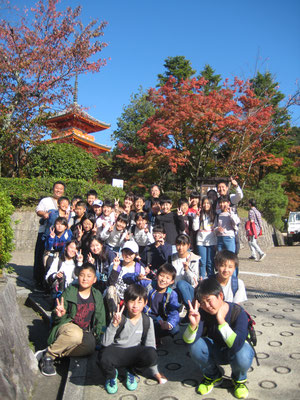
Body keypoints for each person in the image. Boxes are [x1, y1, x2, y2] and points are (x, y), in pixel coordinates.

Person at [183, 278, 254, 399]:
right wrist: (193, 325)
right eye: (203, 302)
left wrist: (221, 320)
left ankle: (239, 380)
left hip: (236, 352)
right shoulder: (203, 313)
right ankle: (213, 376)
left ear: (220, 295)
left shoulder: (238, 312)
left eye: (209, 300)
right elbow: (188, 341)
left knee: (243, 354)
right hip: (217, 351)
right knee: (195, 346)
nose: (207, 306)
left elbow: (236, 345)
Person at [38, 263, 106, 377]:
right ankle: (48, 356)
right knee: (75, 334)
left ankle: (58, 350)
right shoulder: (69, 292)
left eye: (89, 276)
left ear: (94, 280)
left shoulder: (97, 295)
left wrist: (100, 337)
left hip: (84, 331)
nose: (84, 278)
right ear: (77, 276)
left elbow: (101, 319)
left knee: (90, 346)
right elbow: (56, 319)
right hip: (66, 326)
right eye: (82, 275)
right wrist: (58, 314)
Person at [98, 284, 158, 394]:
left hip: (133, 353)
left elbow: (151, 346)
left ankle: (131, 371)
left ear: (145, 303)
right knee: (103, 357)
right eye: (132, 301)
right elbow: (105, 343)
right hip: (117, 351)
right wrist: (114, 325)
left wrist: (155, 372)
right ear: (125, 302)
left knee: (151, 354)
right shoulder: (119, 318)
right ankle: (111, 376)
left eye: (139, 302)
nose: (135, 306)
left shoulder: (147, 321)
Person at [33, 181, 65, 290]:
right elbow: (38, 211)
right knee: (41, 256)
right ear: (53, 189)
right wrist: (44, 214)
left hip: (59, 235)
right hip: (45, 233)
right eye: (57, 188)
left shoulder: (65, 202)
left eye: (61, 189)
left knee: (54, 259)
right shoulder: (46, 200)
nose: (58, 190)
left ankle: (49, 281)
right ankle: (38, 281)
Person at [106, 241, 145, 317]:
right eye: (126, 252)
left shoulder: (139, 269)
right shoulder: (115, 264)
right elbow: (110, 284)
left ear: (135, 255)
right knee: (110, 289)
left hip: (131, 297)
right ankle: (113, 318)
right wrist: (115, 267)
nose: (128, 255)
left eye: (131, 253)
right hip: (116, 297)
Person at [143, 263, 180, 340]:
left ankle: (155, 337)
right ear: (156, 276)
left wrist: (169, 324)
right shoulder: (149, 285)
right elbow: (126, 278)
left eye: (167, 278)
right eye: (161, 276)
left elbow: (174, 312)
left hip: (161, 319)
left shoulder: (172, 294)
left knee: (174, 328)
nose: (163, 280)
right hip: (147, 315)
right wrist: (137, 277)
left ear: (172, 281)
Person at [172, 234, 200, 310]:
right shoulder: (171, 258)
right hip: (174, 289)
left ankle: (190, 309)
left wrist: (187, 269)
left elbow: (193, 282)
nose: (180, 248)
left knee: (181, 284)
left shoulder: (194, 259)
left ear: (188, 246)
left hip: (189, 290)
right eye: (178, 245)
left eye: (183, 245)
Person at [193, 196, 217, 278]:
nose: (206, 205)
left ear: (211, 204)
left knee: (210, 262)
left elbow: (216, 228)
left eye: (208, 203)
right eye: (204, 203)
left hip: (211, 241)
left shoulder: (214, 215)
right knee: (202, 262)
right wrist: (196, 217)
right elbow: (195, 228)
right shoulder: (199, 214)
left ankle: (211, 279)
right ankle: (201, 279)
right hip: (200, 241)